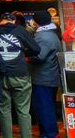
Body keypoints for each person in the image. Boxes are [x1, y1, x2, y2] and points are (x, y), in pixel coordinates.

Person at [0, 12, 40, 138]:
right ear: (13, 21)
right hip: (20, 74)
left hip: (0, 75)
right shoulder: (20, 30)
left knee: (4, 111)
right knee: (23, 111)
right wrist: (24, 53)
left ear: (0, 21)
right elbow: (36, 49)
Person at [29, 10, 62, 138]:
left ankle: (49, 134)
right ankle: (48, 132)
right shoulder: (52, 34)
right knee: (48, 106)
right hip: (50, 76)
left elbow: (39, 56)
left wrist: (27, 57)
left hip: (43, 78)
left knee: (44, 107)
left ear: (37, 22)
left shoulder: (43, 37)